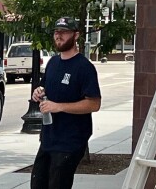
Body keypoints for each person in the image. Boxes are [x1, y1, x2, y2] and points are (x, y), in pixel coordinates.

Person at [30, 17, 102, 189]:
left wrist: (58, 106)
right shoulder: (53, 63)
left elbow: (94, 104)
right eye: (56, 32)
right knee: (37, 184)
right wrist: (39, 92)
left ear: (76, 35)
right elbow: (45, 86)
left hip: (70, 141)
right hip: (48, 138)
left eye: (64, 32)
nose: (58, 36)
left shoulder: (84, 67)